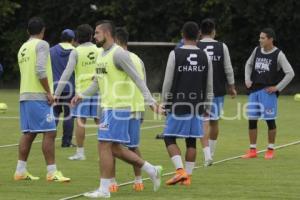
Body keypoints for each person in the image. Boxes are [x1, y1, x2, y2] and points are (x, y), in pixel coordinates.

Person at [72, 20, 163, 198]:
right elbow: (97, 83)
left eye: (97, 33)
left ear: (106, 34)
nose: (94, 36)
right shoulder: (100, 55)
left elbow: (138, 79)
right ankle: (151, 170)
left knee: (104, 145)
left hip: (119, 108)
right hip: (107, 108)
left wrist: (151, 101)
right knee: (114, 148)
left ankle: (104, 189)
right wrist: (82, 95)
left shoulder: (119, 54)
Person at [14, 17, 70, 182]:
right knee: (50, 132)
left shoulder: (23, 47)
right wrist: (49, 92)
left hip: (25, 94)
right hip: (38, 95)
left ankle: (20, 171)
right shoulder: (42, 44)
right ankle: (52, 172)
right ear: (43, 30)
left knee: (29, 133)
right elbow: (40, 70)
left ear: (27, 31)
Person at [161, 21, 213, 186]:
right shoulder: (205, 56)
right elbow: (209, 84)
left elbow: (168, 81)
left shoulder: (175, 53)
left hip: (178, 103)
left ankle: (180, 171)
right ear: (198, 35)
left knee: (169, 138)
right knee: (191, 140)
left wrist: (163, 102)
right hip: (197, 105)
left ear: (182, 35)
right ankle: (188, 177)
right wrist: (208, 106)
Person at [242, 28, 294, 159]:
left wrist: (277, 87)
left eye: (263, 38)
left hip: (268, 92)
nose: (260, 40)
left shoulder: (278, 54)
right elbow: (248, 64)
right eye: (260, 37)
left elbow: (290, 73)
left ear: (270, 39)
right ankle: (252, 150)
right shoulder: (256, 50)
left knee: (270, 121)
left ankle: (270, 149)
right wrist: (247, 79)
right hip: (254, 91)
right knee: (252, 120)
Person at [108, 27, 147, 192]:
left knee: (111, 146)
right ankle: (139, 181)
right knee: (133, 145)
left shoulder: (113, 57)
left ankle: (112, 182)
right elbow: (142, 82)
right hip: (136, 106)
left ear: (115, 40)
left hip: (119, 107)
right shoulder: (138, 59)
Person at [54, 24, 100, 160]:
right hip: (99, 90)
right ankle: (103, 154)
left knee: (81, 122)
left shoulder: (76, 51)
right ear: (92, 36)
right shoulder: (99, 50)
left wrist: (57, 93)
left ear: (77, 37)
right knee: (100, 122)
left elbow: (67, 73)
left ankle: (80, 153)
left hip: (81, 92)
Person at [197, 18, 237, 164]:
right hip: (217, 90)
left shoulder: (196, 46)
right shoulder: (222, 46)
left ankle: (206, 153)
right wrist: (231, 87)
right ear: (214, 31)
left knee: (203, 121)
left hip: (199, 91)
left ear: (200, 32)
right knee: (214, 122)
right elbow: (228, 68)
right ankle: (211, 153)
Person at [50, 29, 76, 147]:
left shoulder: (51, 51)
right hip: (70, 87)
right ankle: (66, 142)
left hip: (55, 87)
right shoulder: (75, 51)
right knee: (69, 115)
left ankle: (49, 139)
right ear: (72, 40)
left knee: (55, 112)